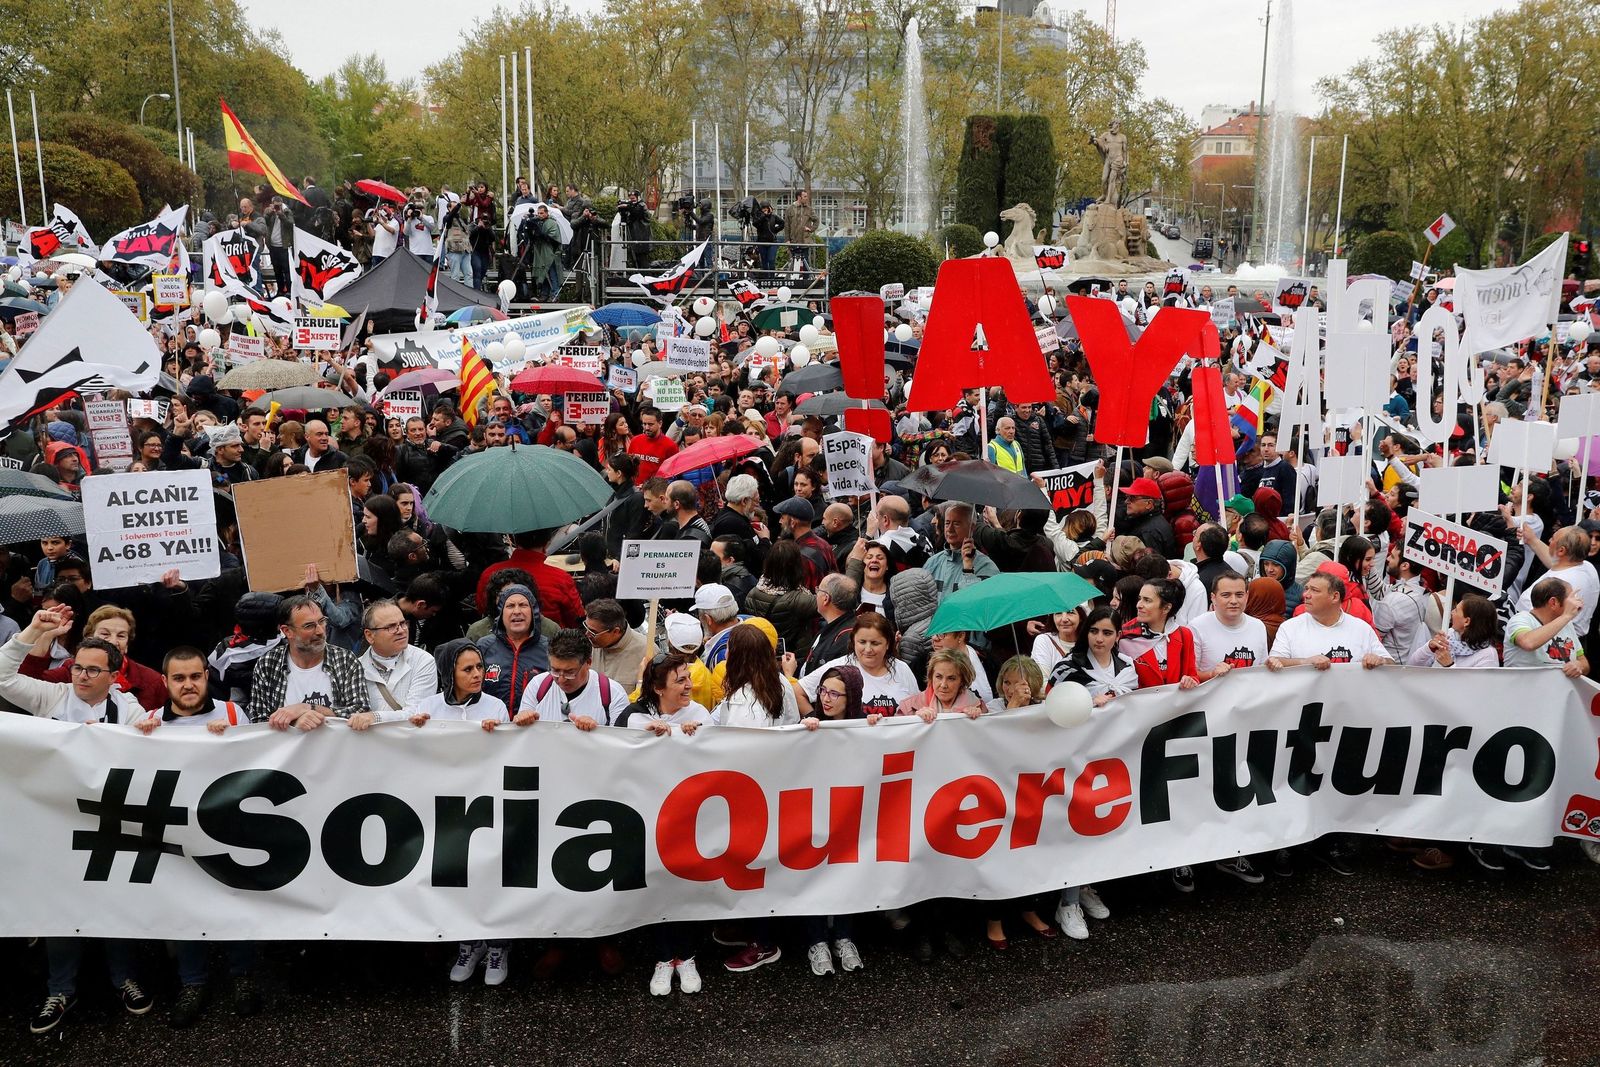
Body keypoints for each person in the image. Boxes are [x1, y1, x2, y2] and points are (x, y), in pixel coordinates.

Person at [3, 609, 151, 1033]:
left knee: (113, 900)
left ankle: (125, 978)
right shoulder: (51, 697)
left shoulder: (128, 708)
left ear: (113, 674)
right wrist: (34, 631)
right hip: (53, 823)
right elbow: (1, 677)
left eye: (92, 670)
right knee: (58, 905)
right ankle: (60, 990)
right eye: (77, 667)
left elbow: (157, 745)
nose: (81, 676)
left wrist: (154, 733)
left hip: (108, 823)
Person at [124, 647, 261, 1025]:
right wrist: (137, 739)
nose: (188, 685)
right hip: (176, 833)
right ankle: (193, 983)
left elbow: (258, 766)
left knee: (235, 901)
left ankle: (242, 977)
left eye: (196, 677)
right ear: (165, 682)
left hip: (228, 829)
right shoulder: (150, 720)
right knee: (183, 906)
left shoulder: (233, 713)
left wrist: (233, 738)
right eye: (179, 678)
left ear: (206, 676)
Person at [714, 625, 800, 972]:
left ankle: (763, 942)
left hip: (750, 796)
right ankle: (753, 927)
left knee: (753, 868)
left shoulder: (744, 699)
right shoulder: (781, 685)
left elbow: (737, 749)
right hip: (775, 790)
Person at [249, 595, 369, 728]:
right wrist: (295, 722)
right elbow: (258, 723)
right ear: (287, 631)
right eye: (309, 626)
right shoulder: (268, 664)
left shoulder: (345, 660)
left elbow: (361, 712)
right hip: (291, 748)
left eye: (322, 621)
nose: (319, 631)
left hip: (337, 747)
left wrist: (308, 708)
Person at [797, 611, 918, 719]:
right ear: (853, 641)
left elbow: (917, 706)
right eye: (862, 642)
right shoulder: (839, 667)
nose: (868, 649)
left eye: (875, 643)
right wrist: (816, 721)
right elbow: (797, 692)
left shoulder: (902, 669)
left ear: (887, 644)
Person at [349, 600, 438, 726]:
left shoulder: (423, 661)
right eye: (391, 627)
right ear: (369, 636)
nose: (401, 630)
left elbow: (416, 713)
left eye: (403, 623)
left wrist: (375, 717)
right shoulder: (354, 668)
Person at [517, 629, 629, 728]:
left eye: (570, 673)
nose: (561, 680)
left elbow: (621, 743)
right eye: (555, 670)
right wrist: (522, 720)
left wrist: (597, 732)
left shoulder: (613, 693)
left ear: (588, 662)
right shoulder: (537, 686)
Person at [476, 583, 550, 709]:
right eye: (510, 606)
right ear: (501, 613)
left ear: (534, 612)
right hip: (491, 724)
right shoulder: (483, 647)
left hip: (534, 725)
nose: (517, 611)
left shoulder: (549, 649)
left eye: (523, 605)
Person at [1118, 578, 1200, 690]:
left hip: (1175, 705)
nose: (1138, 605)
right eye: (1139, 599)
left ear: (1166, 608)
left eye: (1147, 600)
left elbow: (1193, 675)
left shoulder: (1184, 635)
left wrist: (1190, 681)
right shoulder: (1125, 635)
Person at [744, 540, 818, 657]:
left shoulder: (752, 593)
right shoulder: (797, 600)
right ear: (796, 567)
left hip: (762, 655)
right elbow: (830, 602)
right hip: (792, 657)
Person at [1189, 571, 1269, 678]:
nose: (1233, 601)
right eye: (1226, 595)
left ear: (1247, 596)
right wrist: (1211, 674)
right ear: (1213, 598)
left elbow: (1262, 671)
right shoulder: (1197, 627)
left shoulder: (1258, 626)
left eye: (1239, 595)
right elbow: (1188, 675)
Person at [1504, 577, 1588, 675]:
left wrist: (1579, 666)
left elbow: (1583, 662)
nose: (1577, 602)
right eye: (1571, 598)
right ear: (1553, 602)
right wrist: (1566, 616)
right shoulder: (1520, 619)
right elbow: (1528, 643)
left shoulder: (1566, 623)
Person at [1409, 595, 1499, 669]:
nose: (1452, 612)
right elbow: (1412, 665)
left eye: (1456, 610)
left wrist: (1449, 665)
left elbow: (1478, 689)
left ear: (1467, 621)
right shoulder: (1449, 635)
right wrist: (1429, 648)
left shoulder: (1488, 655)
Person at [584, 598, 650, 693]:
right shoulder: (586, 645)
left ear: (616, 631)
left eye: (593, 632)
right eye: (586, 627)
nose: (587, 634)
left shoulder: (647, 651)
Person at [1029, 608, 1083, 680]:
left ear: (1081, 617)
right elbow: (1041, 681)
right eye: (1058, 613)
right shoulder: (1044, 640)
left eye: (1070, 612)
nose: (1064, 619)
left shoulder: (1091, 642)